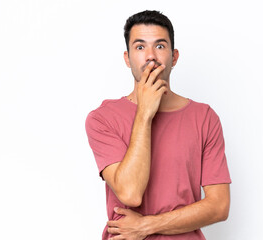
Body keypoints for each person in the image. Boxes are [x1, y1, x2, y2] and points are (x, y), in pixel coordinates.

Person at [85, 10, 231, 240]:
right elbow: (131, 193)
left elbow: (219, 206)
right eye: (140, 47)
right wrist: (144, 113)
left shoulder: (204, 117)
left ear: (174, 57)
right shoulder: (102, 119)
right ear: (127, 58)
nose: (151, 56)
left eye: (160, 46)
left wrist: (146, 225)